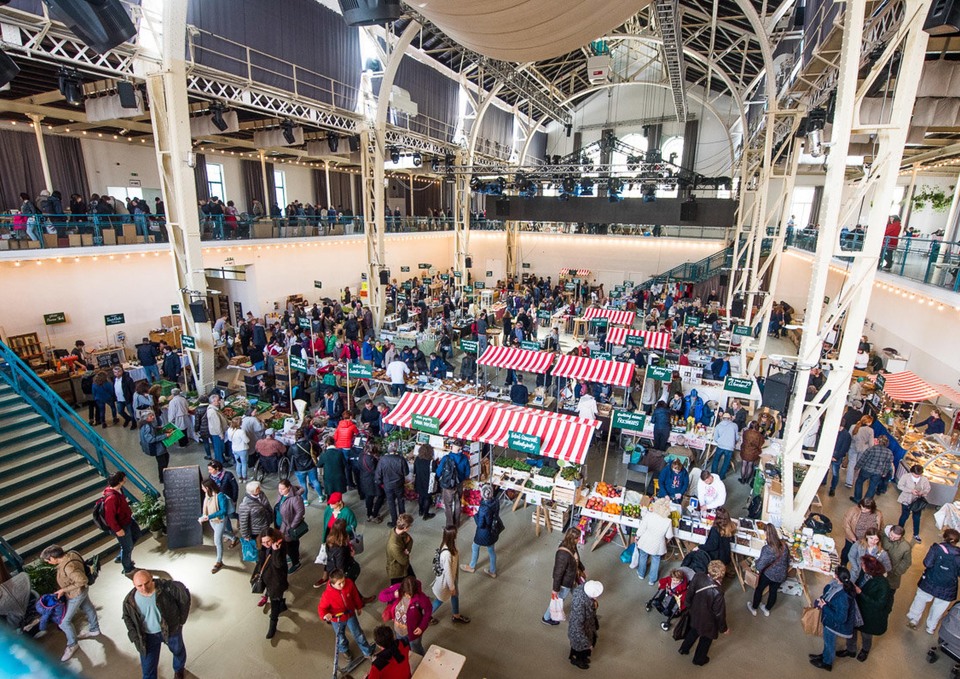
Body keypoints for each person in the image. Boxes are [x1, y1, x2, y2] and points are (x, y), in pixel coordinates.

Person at [122, 570, 190, 679]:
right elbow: (127, 618)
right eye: (139, 585)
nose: (144, 588)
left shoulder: (167, 589)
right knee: (148, 669)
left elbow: (184, 597)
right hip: (148, 637)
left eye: (147, 583)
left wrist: (180, 621)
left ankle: (179, 669)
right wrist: (135, 637)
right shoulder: (129, 601)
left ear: (152, 578)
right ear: (134, 585)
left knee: (178, 651)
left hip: (171, 630)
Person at [40, 545, 101, 662]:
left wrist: (63, 590)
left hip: (76, 594)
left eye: (48, 560)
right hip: (81, 591)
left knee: (64, 622)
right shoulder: (72, 553)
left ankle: (72, 644)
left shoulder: (69, 567)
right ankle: (94, 629)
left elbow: (82, 580)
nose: (48, 562)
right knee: (88, 607)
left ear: (53, 558)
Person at [906, 528, 960, 634]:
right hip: (948, 587)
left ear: (944, 537)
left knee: (920, 600)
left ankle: (914, 619)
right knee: (939, 607)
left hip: (930, 581)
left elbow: (927, 563)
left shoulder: (936, 548)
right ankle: (931, 627)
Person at [317, 569, 376, 661]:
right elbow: (321, 608)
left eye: (343, 581)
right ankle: (344, 650)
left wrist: (358, 606)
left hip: (350, 615)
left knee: (358, 633)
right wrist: (325, 615)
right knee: (340, 637)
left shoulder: (349, 583)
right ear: (332, 584)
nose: (342, 585)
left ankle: (367, 652)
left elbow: (355, 596)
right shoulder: (327, 595)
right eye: (339, 584)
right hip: (337, 620)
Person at [843, 555, 893, 662]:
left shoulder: (882, 584)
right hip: (857, 607)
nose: (861, 565)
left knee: (866, 634)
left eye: (863, 564)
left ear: (871, 568)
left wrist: (860, 593)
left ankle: (865, 650)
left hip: (870, 614)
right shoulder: (864, 573)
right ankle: (850, 649)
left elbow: (879, 604)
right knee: (852, 629)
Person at [678, 560, 728, 666]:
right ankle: (699, 659)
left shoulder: (698, 576)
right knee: (705, 639)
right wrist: (723, 628)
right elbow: (719, 613)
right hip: (708, 621)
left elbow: (690, 592)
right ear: (721, 574)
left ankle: (684, 648)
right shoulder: (718, 592)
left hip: (695, 612)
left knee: (693, 631)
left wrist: (687, 605)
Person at [810, 567, 857, 671]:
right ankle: (824, 655)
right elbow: (828, 595)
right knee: (827, 642)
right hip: (830, 621)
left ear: (837, 577)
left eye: (835, 573)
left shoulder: (843, 597)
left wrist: (824, 606)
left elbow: (841, 618)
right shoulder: (841, 586)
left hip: (833, 625)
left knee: (829, 642)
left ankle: (827, 663)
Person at [378, 576, 433, 656]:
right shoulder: (398, 588)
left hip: (413, 632)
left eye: (411, 594)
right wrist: (393, 595)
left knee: (416, 650)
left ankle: (422, 661)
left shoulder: (421, 597)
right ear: (403, 590)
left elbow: (428, 610)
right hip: (398, 631)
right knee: (404, 649)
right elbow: (381, 596)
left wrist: (422, 627)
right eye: (407, 594)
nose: (409, 597)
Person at [542, 528, 585, 625]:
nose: (579, 539)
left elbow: (576, 558)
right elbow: (558, 573)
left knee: (577, 594)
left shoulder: (572, 545)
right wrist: (555, 589)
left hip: (572, 578)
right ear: (572, 538)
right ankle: (546, 617)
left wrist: (582, 569)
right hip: (565, 583)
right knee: (558, 600)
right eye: (577, 538)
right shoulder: (562, 554)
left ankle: (580, 609)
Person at [747, 523, 791, 616]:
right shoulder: (784, 545)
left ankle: (754, 608)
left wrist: (756, 563)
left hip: (769, 574)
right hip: (781, 574)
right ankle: (767, 609)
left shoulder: (767, 549)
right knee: (773, 591)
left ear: (766, 534)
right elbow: (788, 560)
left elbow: (760, 566)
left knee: (759, 589)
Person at [254, 527, 289, 639]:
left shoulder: (281, 546)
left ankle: (272, 626)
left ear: (273, 538)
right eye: (263, 542)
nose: (266, 544)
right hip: (267, 578)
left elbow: (278, 565)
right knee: (276, 597)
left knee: (274, 602)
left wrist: (276, 550)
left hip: (277, 580)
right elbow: (261, 561)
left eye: (268, 541)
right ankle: (282, 605)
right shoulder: (263, 547)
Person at [431, 525, 470, 624]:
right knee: (440, 599)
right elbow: (448, 572)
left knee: (455, 596)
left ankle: (456, 615)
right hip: (447, 582)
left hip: (451, 579)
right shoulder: (447, 554)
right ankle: (425, 616)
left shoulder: (447, 544)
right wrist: (452, 587)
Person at [461, 484, 501, 578]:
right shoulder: (496, 501)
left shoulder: (483, 508)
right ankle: (492, 571)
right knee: (491, 551)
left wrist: (474, 514)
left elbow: (480, 524)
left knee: (475, 547)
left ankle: (472, 566)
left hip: (483, 533)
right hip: (492, 530)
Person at [101, 471, 137, 575]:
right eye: (124, 478)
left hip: (127, 520)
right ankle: (127, 567)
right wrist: (118, 530)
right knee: (127, 547)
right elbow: (110, 517)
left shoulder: (119, 489)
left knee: (137, 534)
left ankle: (121, 556)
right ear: (120, 481)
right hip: (121, 526)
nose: (126, 479)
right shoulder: (111, 498)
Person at [632, 496, 674, 585]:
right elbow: (669, 535)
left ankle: (641, 573)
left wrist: (637, 536)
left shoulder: (649, 515)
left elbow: (641, 529)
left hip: (645, 541)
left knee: (643, 556)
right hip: (658, 545)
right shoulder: (668, 521)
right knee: (656, 560)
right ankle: (652, 580)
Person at [567, 580, 602, 669]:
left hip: (587, 627)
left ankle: (580, 657)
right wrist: (587, 643)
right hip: (581, 633)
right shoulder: (580, 604)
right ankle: (578, 661)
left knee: (580, 648)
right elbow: (578, 627)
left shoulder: (582, 591)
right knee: (580, 649)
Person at [199, 478, 231, 574]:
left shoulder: (220, 496)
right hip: (212, 520)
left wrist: (208, 517)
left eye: (203, 487)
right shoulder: (207, 495)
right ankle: (234, 538)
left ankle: (219, 561)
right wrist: (203, 517)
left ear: (208, 488)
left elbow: (223, 511)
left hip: (220, 520)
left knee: (217, 540)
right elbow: (206, 508)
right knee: (221, 533)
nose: (202, 489)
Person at [851, 434, 894, 503]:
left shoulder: (871, 449)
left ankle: (857, 498)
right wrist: (884, 473)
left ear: (878, 441)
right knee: (872, 487)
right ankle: (866, 502)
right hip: (878, 472)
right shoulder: (889, 453)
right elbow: (888, 464)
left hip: (866, 469)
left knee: (859, 482)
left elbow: (863, 459)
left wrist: (857, 467)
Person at [276, 479, 306, 574]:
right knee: (288, 544)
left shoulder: (295, 498)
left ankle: (296, 563)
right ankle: (294, 556)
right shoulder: (281, 495)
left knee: (291, 545)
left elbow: (300, 512)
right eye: (279, 488)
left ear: (289, 487)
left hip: (289, 527)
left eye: (282, 489)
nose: (280, 491)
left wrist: (292, 526)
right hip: (281, 525)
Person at [376, 443, 410, 527]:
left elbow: (378, 474)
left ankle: (394, 522)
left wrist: (380, 483)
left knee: (391, 503)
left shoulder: (383, 459)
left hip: (387, 485)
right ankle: (403, 521)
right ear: (396, 449)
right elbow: (406, 472)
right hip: (399, 484)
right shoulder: (401, 459)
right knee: (401, 501)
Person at [841, 499, 883, 567]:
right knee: (847, 550)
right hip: (853, 539)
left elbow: (881, 526)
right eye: (862, 507)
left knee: (862, 556)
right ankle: (843, 563)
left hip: (868, 541)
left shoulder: (878, 514)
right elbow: (846, 524)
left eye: (866, 509)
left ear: (872, 508)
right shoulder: (853, 510)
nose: (863, 510)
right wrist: (852, 537)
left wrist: (876, 538)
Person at [435, 446, 470, 527]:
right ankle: (457, 523)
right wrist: (461, 478)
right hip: (459, 484)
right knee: (458, 502)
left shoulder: (446, 458)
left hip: (448, 485)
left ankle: (450, 525)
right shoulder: (464, 458)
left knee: (448, 505)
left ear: (452, 448)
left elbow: (439, 471)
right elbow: (467, 473)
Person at [897, 464, 932, 543]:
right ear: (911, 472)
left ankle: (916, 534)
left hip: (917, 501)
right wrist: (910, 491)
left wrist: (922, 492)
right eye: (915, 474)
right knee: (904, 516)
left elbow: (928, 488)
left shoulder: (924, 479)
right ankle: (898, 531)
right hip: (906, 499)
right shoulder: (906, 476)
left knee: (916, 518)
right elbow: (900, 486)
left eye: (919, 475)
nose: (917, 476)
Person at [290, 428, 324, 504]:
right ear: (304, 435)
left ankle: (305, 500)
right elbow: (319, 449)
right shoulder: (310, 443)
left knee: (302, 484)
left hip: (299, 469)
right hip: (311, 466)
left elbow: (289, 455)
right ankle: (321, 497)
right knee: (315, 481)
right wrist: (315, 455)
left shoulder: (293, 447)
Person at [138, 412, 170, 485]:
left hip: (158, 448)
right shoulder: (147, 427)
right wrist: (165, 435)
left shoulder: (146, 425)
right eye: (151, 416)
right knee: (162, 463)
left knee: (166, 458)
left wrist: (157, 429)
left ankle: (164, 475)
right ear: (146, 418)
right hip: (157, 448)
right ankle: (162, 478)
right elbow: (150, 439)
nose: (153, 417)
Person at [880, 524, 912, 597]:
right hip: (878, 570)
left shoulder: (906, 547)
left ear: (901, 537)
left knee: (889, 595)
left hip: (892, 576)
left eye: (896, 537)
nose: (892, 538)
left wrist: (896, 572)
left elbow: (907, 562)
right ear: (890, 531)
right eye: (891, 535)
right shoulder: (883, 537)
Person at [238, 480, 273, 547]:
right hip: (256, 531)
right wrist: (245, 535)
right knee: (260, 546)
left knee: (268, 543)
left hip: (265, 525)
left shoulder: (261, 494)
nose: (260, 489)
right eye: (258, 488)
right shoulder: (245, 505)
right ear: (252, 491)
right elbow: (243, 522)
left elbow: (267, 505)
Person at [359, 443, 385, 523]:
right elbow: (376, 471)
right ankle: (374, 514)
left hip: (364, 479)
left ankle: (369, 514)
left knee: (369, 497)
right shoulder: (371, 459)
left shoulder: (361, 455)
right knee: (381, 496)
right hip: (372, 480)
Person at [846, 415, 875, 488]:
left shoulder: (853, 426)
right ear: (869, 422)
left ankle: (849, 482)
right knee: (858, 466)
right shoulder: (870, 430)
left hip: (853, 447)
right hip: (863, 449)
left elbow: (849, 437)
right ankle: (855, 481)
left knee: (851, 464)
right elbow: (871, 444)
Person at [386, 514, 415, 585]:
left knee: (413, 581)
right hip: (397, 572)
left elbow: (410, 540)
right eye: (410, 526)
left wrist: (405, 551)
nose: (410, 527)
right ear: (405, 528)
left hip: (403, 567)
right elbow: (404, 561)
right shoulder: (394, 545)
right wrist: (406, 553)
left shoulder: (396, 530)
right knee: (400, 588)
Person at [710, 412, 738, 480]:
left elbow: (715, 438)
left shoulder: (718, 425)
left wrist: (720, 441)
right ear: (730, 418)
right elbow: (737, 438)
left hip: (721, 446)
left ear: (722, 418)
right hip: (730, 447)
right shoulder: (734, 425)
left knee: (716, 460)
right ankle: (721, 476)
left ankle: (714, 474)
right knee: (726, 462)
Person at [827, 422, 852, 497]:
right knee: (826, 470)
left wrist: (836, 457)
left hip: (836, 457)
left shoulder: (846, 435)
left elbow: (844, 448)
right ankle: (823, 482)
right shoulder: (836, 432)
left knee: (835, 473)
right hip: (830, 455)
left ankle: (833, 488)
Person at [414, 443, 436, 521]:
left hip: (419, 481)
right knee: (427, 497)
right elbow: (434, 473)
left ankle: (420, 511)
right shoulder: (432, 462)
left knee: (420, 496)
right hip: (428, 482)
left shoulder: (417, 459)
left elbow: (414, 471)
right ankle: (426, 514)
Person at [738, 420, 764, 485]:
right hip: (753, 452)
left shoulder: (746, 432)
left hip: (745, 451)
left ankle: (742, 479)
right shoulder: (759, 435)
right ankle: (747, 479)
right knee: (750, 465)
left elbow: (743, 440)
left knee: (744, 465)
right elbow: (761, 444)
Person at [206, 393, 228, 465]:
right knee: (219, 448)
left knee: (219, 447)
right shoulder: (212, 412)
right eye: (218, 400)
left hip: (217, 433)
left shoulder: (214, 409)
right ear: (213, 401)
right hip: (217, 433)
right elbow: (217, 425)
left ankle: (221, 459)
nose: (219, 402)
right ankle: (220, 462)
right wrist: (220, 434)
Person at [112, 365, 136, 429]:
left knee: (131, 412)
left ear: (122, 371)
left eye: (118, 372)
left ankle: (134, 423)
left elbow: (132, 389)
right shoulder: (114, 379)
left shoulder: (128, 379)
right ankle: (127, 418)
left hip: (127, 399)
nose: (117, 374)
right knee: (120, 411)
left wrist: (132, 398)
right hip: (119, 399)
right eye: (115, 372)